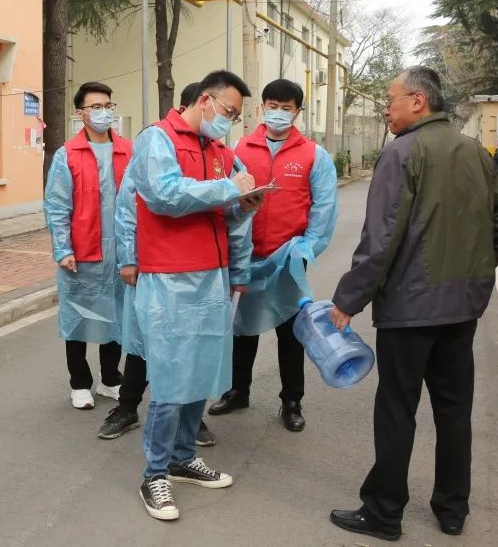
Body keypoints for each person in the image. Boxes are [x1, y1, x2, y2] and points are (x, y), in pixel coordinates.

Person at [327, 66, 498, 541]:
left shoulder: (401, 152)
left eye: (390, 100)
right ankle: (452, 509)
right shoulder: (473, 151)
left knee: (397, 409)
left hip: (409, 309)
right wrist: (476, 271)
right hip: (461, 306)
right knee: (454, 410)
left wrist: (349, 298)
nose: (385, 110)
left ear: (417, 101)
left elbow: (381, 239)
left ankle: (384, 512)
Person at [130, 70, 260, 521]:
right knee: (170, 377)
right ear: (205, 100)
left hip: (211, 276)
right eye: (228, 111)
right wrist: (228, 190)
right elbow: (163, 195)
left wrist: (243, 205)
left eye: (235, 117)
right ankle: (154, 473)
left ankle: (183, 456)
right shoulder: (157, 139)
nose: (230, 121)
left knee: (200, 372)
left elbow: (221, 215)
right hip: (170, 277)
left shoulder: (219, 151)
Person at [209, 78, 337, 432]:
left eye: (286, 108)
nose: (278, 113)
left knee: (290, 332)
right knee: (241, 329)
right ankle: (238, 391)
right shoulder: (240, 148)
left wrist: (306, 249)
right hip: (246, 256)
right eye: (273, 106)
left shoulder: (313, 154)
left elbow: (324, 208)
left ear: (297, 112)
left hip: (288, 259)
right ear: (261, 108)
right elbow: (228, 197)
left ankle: (292, 400)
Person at [99, 82, 217, 447]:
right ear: (193, 106)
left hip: (197, 269)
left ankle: (190, 418)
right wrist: (128, 259)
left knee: (191, 345)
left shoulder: (214, 150)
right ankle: (128, 407)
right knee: (145, 342)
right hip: (153, 264)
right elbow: (127, 204)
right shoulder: (156, 143)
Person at [44, 82, 130, 409]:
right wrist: (63, 248)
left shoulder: (128, 151)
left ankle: (110, 379)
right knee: (78, 318)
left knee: (116, 317)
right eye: (96, 107)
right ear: (80, 113)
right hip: (82, 252)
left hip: (121, 252)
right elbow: (57, 206)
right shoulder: (68, 155)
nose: (103, 112)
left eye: (108, 105)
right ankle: (79, 383)